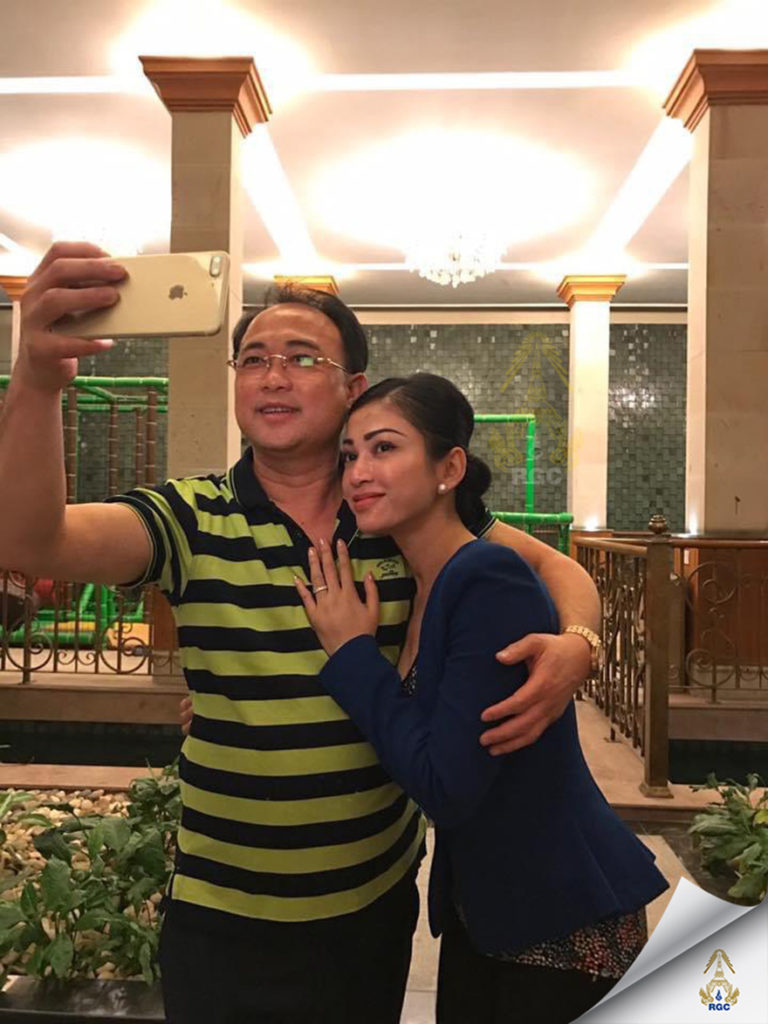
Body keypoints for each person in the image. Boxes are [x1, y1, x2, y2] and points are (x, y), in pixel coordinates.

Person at [0, 242, 602, 1023]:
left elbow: (557, 568)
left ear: (354, 390)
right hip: (222, 914)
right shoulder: (188, 517)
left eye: (302, 358)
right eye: (253, 359)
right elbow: (31, 541)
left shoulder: (397, 512)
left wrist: (579, 646)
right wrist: (37, 379)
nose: (273, 376)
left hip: (370, 906)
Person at [298, 373, 668, 1024]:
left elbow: (447, 786)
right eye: (350, 455)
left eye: (385, 448)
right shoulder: (420, 581)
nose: (358, 472)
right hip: (492, 911)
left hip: (558, 920)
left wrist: (352, 654)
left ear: (449, 469)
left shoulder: (486, 578)